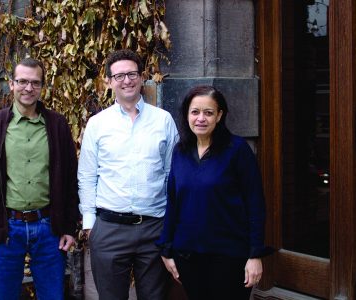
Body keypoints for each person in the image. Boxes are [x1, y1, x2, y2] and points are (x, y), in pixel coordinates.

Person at [0, 57, 79, 300]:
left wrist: (69, 227)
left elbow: (71, 180)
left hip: (48, 228)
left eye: (35, 83)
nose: (28, 88)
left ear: (42, 86)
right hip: (6, 229)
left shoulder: (57, 125)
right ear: (11, 84)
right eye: (22, 81)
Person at [78, 49, 178, 300]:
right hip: (109, 229)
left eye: (132, 73)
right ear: (110, 82)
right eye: (119, 75)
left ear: (142, 77)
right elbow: (87, 176)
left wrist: (170, 222)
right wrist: (90, 225)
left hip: (154, 228)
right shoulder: (97, 124)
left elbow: (172, 174)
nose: (127, 80)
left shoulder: (163, 120)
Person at [156, 85, 273, 300]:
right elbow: (173, 202)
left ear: (219, 116)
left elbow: (255, 205)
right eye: (195, 112)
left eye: (208, 113)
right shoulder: (180, 151)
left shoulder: (237, 150)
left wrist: (255, 254)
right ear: (187, 115)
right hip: (188, 255)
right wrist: (166, 250)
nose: (201, 118)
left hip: (229, 256)